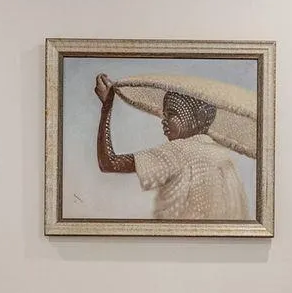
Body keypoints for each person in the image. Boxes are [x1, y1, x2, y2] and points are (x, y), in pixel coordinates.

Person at [93, 73, 248, 221]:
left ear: (199, 117)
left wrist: (107, 106)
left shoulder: (179, 151)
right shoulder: (223, 156)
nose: (163, 120)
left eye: (172, 114)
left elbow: (109, 163)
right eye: (164, 115)